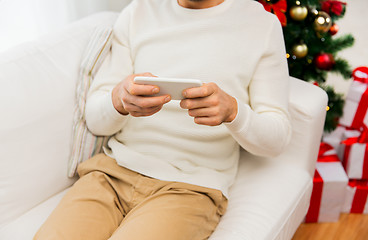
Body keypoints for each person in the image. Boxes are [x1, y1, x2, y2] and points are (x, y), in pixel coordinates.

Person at [34, 0, 292, 239]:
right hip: (112, 174)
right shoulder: (138, 12)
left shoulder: (261, 26)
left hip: (190, 188)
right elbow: (96, 121)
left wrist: (234, 112)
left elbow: (276, 141)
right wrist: (118, 100)